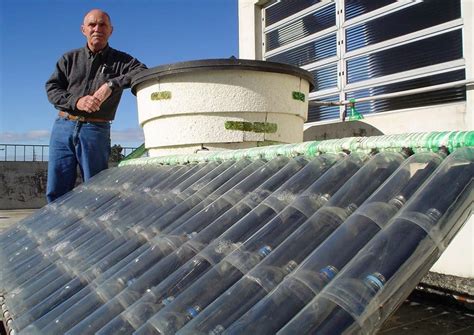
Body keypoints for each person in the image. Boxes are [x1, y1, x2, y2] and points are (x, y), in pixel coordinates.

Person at [45, 9, 146, 203]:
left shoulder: (123, 61)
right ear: (83, 29)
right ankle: (57, 231)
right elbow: (52, 89)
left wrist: (111, 85)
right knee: (56, 191)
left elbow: (142, 72)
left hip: (96, 130)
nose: (97, 29)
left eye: (102, 25)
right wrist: (76, 101)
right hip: (63, 128)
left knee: (95, 190)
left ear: (111, 30)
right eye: (92, 25)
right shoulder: (69, 59)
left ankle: (90, 232)